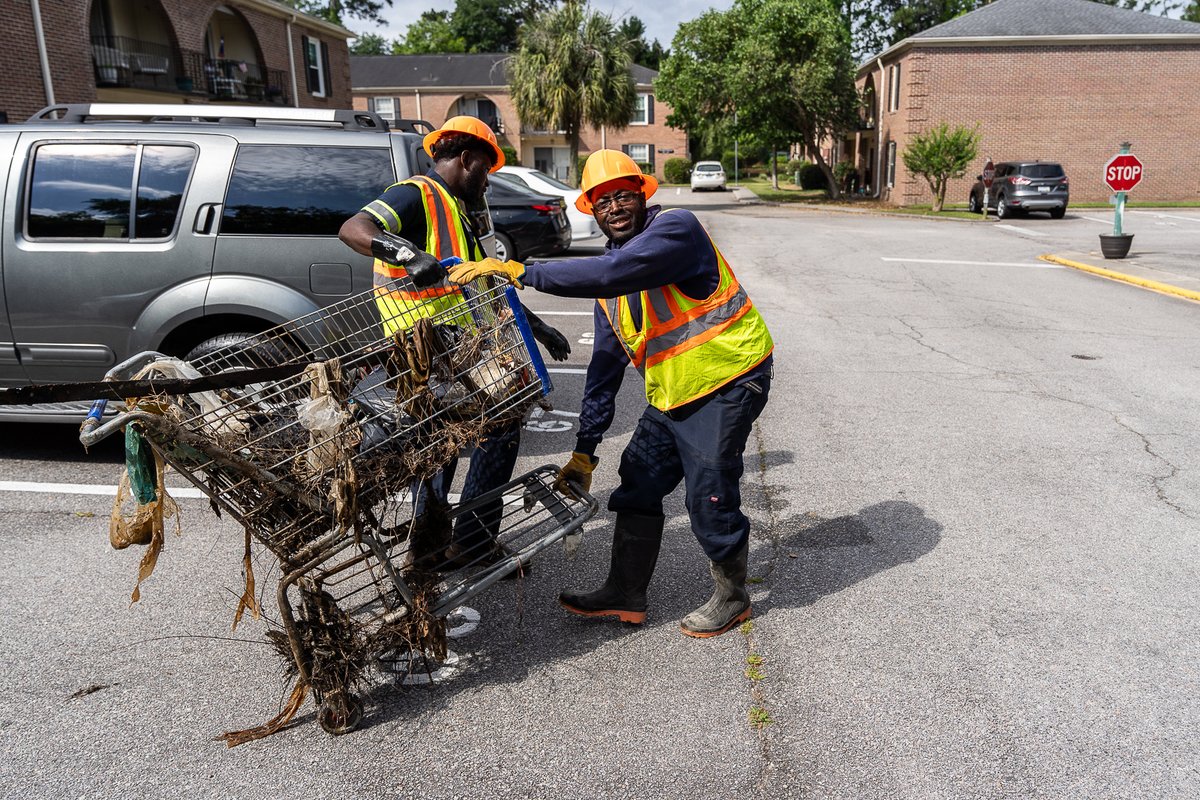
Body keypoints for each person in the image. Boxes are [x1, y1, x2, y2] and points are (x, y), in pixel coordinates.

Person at [446, 150, 774, 638]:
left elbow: (617, 271)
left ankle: (732, 596)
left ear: (642, 196)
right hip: (677, 393)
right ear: (592, 211)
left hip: (729, 379)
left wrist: (522, 271)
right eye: (603, 201)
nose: (615, 207)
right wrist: (584, 450)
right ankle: (626, 593)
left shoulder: (676, 230)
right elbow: (603, 370)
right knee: (637, 480)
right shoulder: (610, 285)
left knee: (709, 492)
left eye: (624, 195)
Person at [338, 116, 570, 570]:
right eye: (487, 169)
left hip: (456, 356)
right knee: (490, 434)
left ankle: (434, 550)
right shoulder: (417, 194)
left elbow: (485, 284)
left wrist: (535, 325)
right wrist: (406, 253)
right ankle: (466, 545)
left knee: (439, 449)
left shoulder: (456, 211)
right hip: (427, 355)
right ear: (466, 159)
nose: (488, 182)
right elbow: (354, 228)